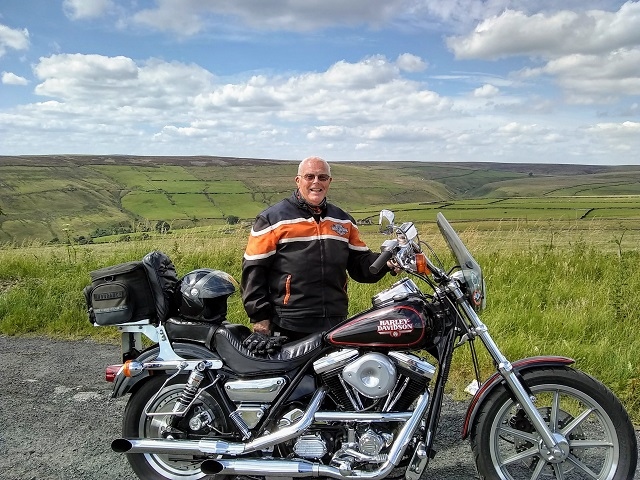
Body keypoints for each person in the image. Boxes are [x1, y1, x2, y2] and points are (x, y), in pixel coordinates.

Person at [241, 156, 392, 351]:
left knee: (332, 378)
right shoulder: (272, 219)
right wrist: (260, 318)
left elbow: (361, 266)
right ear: (298, 180)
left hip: (334, 320)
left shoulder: (344, 221)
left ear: (329, 181)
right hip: (289, 321)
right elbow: (254, 271)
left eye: (322, 177)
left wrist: (387, 261)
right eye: (309, 176)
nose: (316, 182)